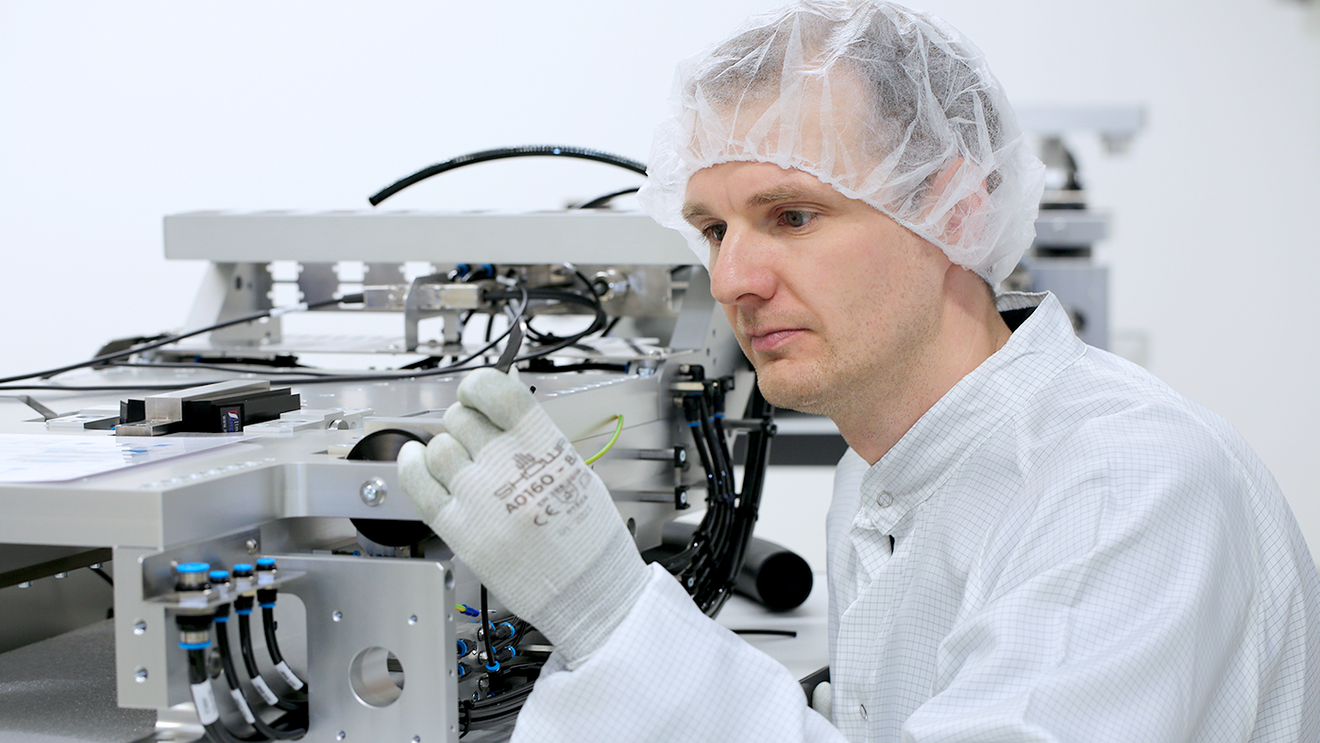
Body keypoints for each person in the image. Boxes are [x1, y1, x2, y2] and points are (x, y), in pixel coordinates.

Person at [398, 1, 1320, 740]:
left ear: (955, 210)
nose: (731, 278)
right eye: (715, 228)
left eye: (793, 215)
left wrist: (605, 609)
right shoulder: (883, 472)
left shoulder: (1124, 486)